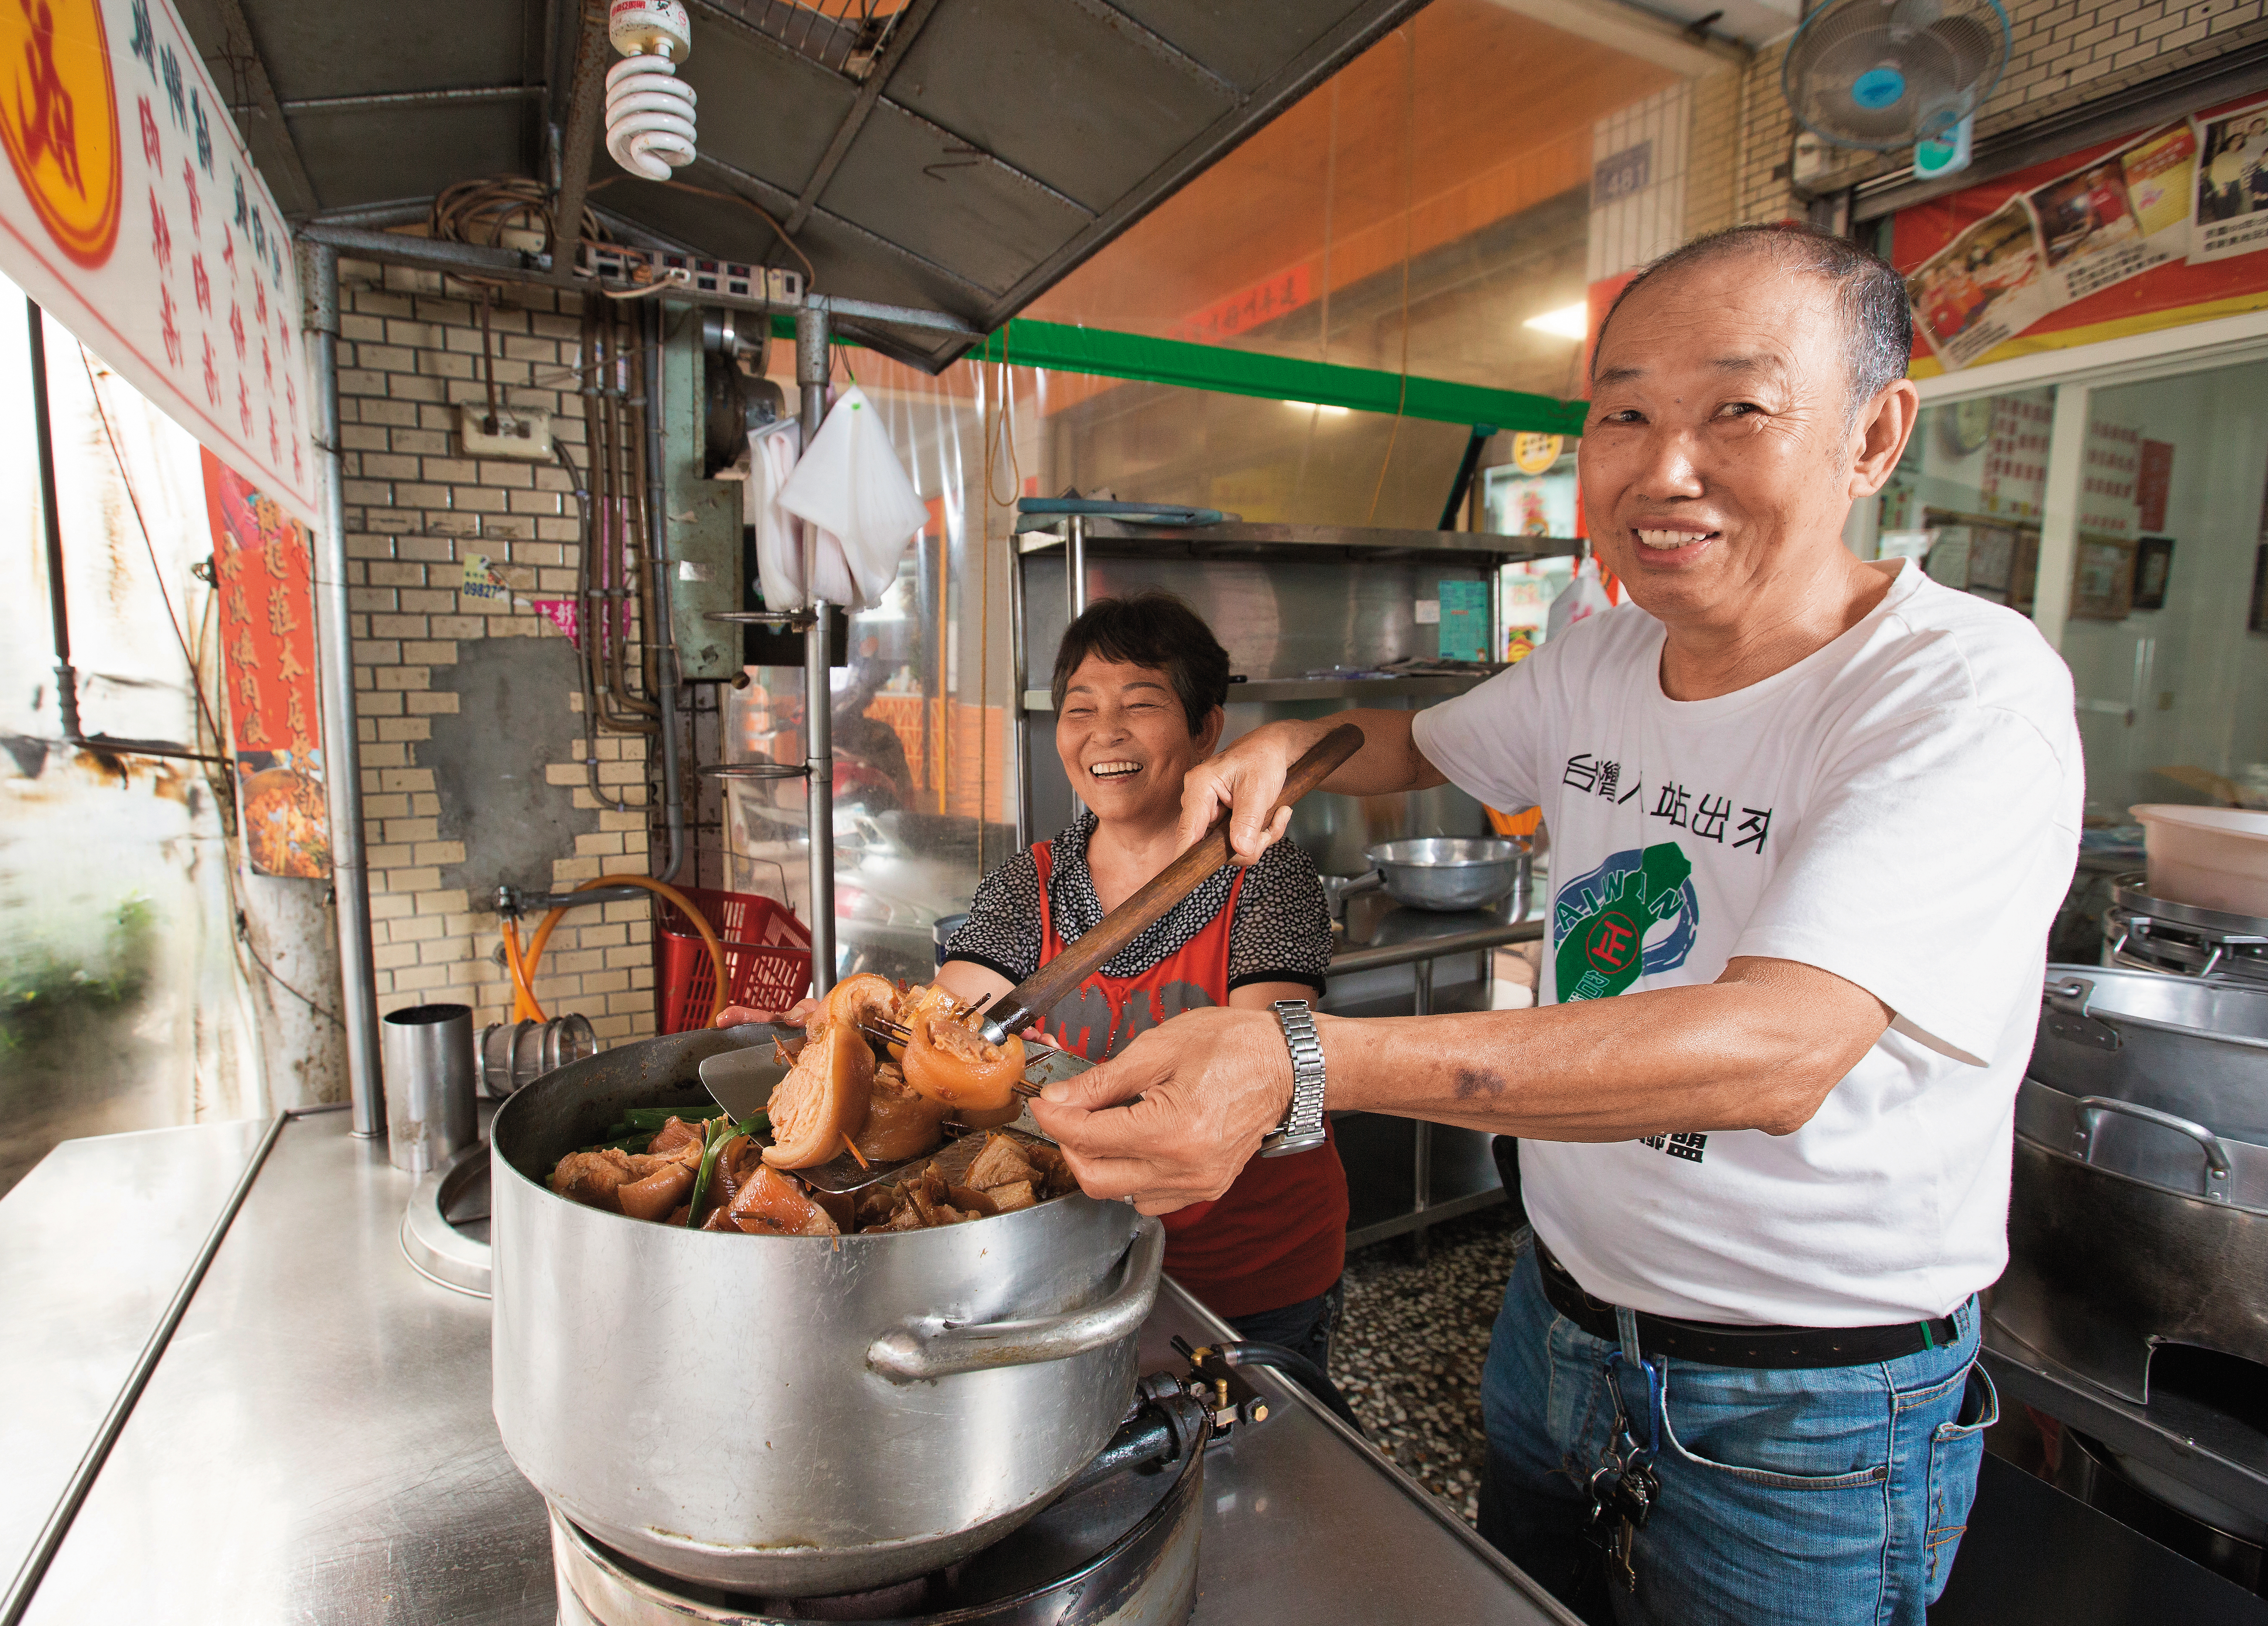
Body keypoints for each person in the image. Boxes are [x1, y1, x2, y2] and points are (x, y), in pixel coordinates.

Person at [1030, 224, 2081, 1626]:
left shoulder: (1960, 695)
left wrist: (1301, 1060)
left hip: (1807, 1404)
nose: (1665, 469)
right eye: (1624, 416)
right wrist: (1294, 745)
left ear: (1875, 437)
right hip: (1560, 1318)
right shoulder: (1607, 656)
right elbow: (1411, 741)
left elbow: (1776, 1050)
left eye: (1738, 410)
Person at [719, 591, 1351, 1380]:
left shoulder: (1266, 876)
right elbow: (951, 1021)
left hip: (1245, 1271)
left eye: (1141, 704)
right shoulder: (1034, 882)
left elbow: (1269, 1065)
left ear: (1206, 729)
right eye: (1080, 708)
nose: (1104, 732)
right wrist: (843, 1038)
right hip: (1079, 1257)